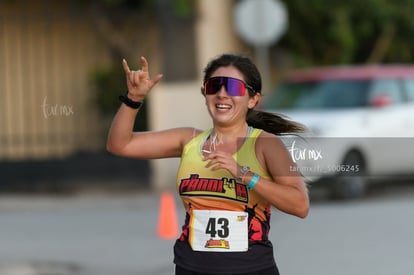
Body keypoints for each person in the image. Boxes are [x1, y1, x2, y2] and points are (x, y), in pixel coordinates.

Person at [107, 53, 310, 275]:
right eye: (214, 86)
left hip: (251, 269)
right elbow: (120, 145)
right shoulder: (188, 140)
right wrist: (133, 99)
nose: (222, 94)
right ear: (205, 94)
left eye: (233, 87)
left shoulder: (265, 145)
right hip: (190, 268)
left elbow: (299, 205)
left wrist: (243, 174)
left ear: (252, 99)